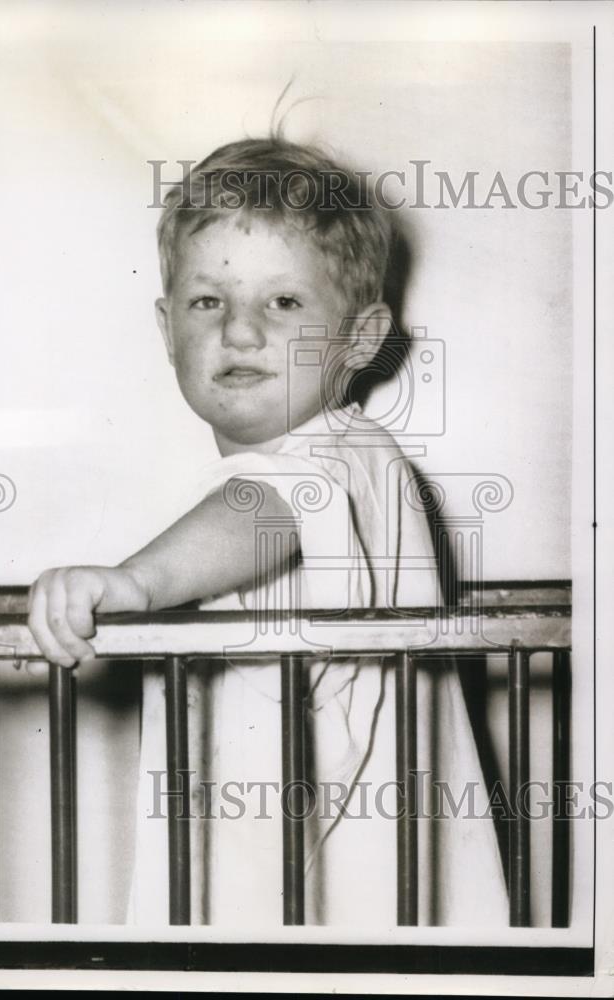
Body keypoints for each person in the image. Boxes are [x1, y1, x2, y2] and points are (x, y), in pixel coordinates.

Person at [28, 137, 508, 927]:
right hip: (324, 889)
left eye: (283, 302)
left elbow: (269, 508)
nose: (240, 331)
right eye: (207, 300)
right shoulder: (353, 455)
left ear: (360, 337)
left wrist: (135, 584)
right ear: (166, 327)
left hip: (333, 909)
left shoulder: (335, 453)